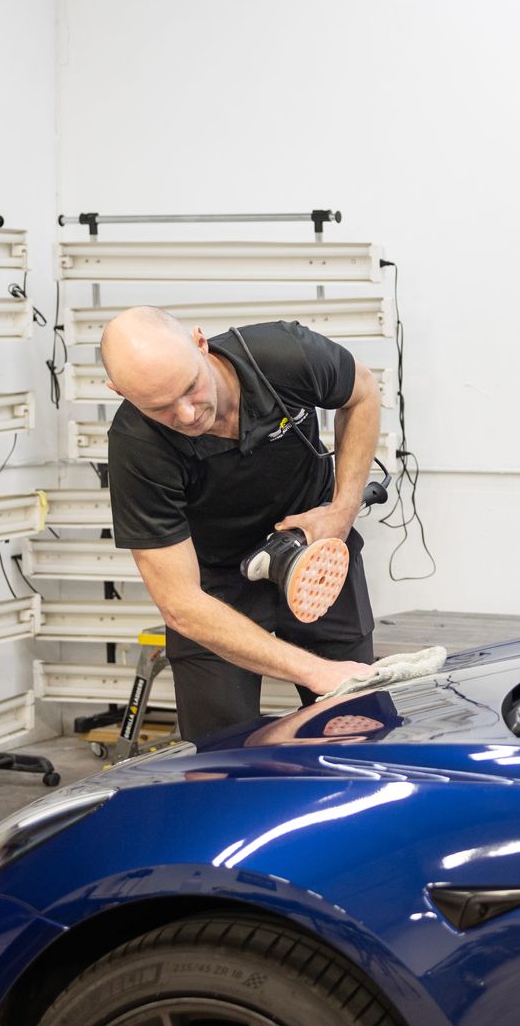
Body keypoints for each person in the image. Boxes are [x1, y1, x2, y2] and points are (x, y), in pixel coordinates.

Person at [98, 305, 381, 740]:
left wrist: (341, 512)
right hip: (215, 585)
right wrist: (315, 672)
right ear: (119, 392)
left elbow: (362, 393)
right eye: (160, 407)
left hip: (314, 552)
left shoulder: (283, 355)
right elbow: (180, 603)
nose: (188, 415)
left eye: (190, 387)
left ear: (199, 342)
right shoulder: (138, 447)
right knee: (220, 750)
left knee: (358, 727)